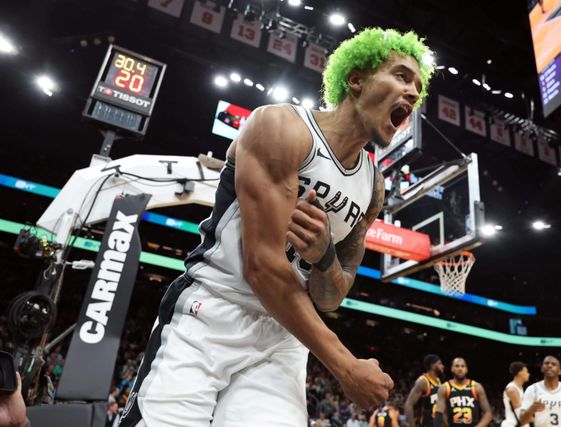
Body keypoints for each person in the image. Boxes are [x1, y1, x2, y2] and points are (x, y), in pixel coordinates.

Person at [119, 27, 434, 427]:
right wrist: (346, 366)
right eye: (402, 76)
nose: (413, 93)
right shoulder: (282, 127)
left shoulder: (373, 186)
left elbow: (331, 298)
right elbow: (263, 267)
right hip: (212, 309)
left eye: (418, 88)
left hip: (284, 334)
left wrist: (324, 257)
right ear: (356, 79)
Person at [434, 358, 492, 427]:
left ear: (466, 369)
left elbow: (488, 413)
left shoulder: (476, 387)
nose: (460, 369)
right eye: (457, 366)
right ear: (452, 369)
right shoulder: (445, 387)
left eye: (462, 366)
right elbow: (439, 413)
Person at [405, 354, 444, 427]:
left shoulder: (438, 381)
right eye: (440, 363)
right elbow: (408, 404)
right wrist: (412, 425)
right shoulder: (423, 382)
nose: (442, 366)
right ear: (432, 366)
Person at [501, 361, 530, 427]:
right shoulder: (512, 389)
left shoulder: (519, 387)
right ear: (520, 373)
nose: (528, 374)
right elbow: (520, 413)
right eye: (526, 372)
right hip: (512, 424)